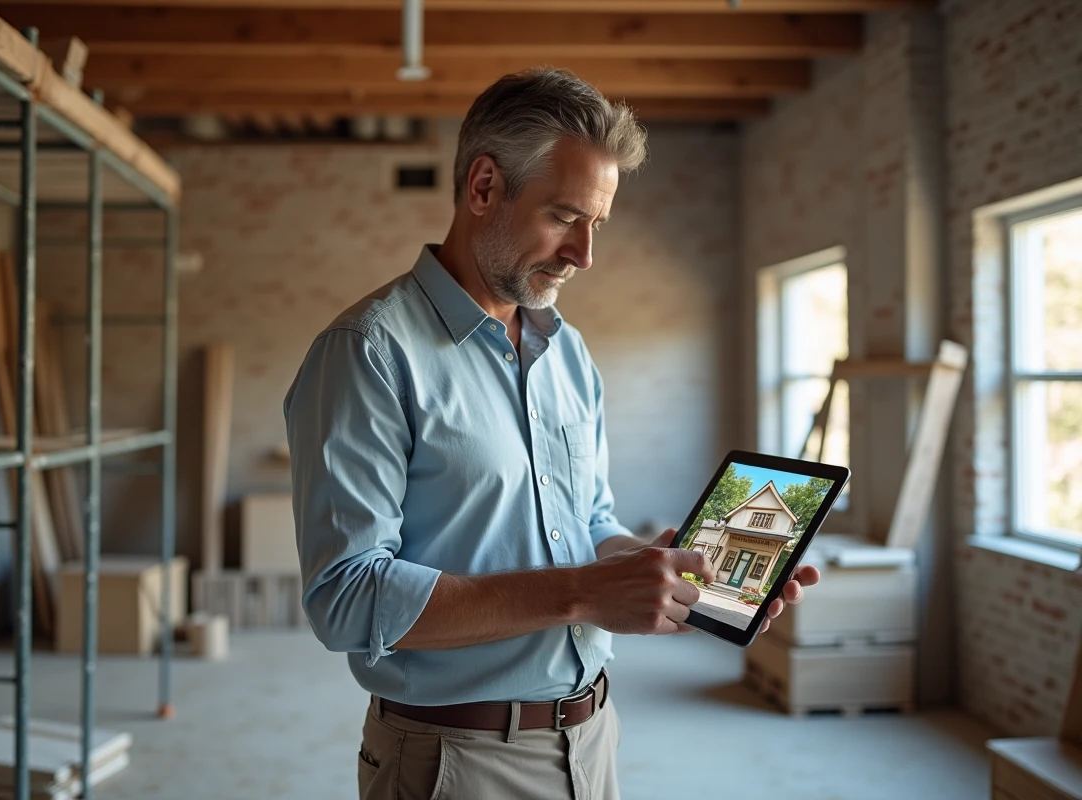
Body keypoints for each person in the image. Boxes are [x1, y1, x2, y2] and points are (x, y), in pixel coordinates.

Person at [284, 67, 820, 800]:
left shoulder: (566, 352)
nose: (585, 255)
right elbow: (345, 596)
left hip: (591, 738)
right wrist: (581, 595)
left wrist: (661, 569)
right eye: (565, 217)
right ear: (482, 188)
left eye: (597, 223)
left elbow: (587, 523)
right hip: (453, 762)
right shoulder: (369, 353)